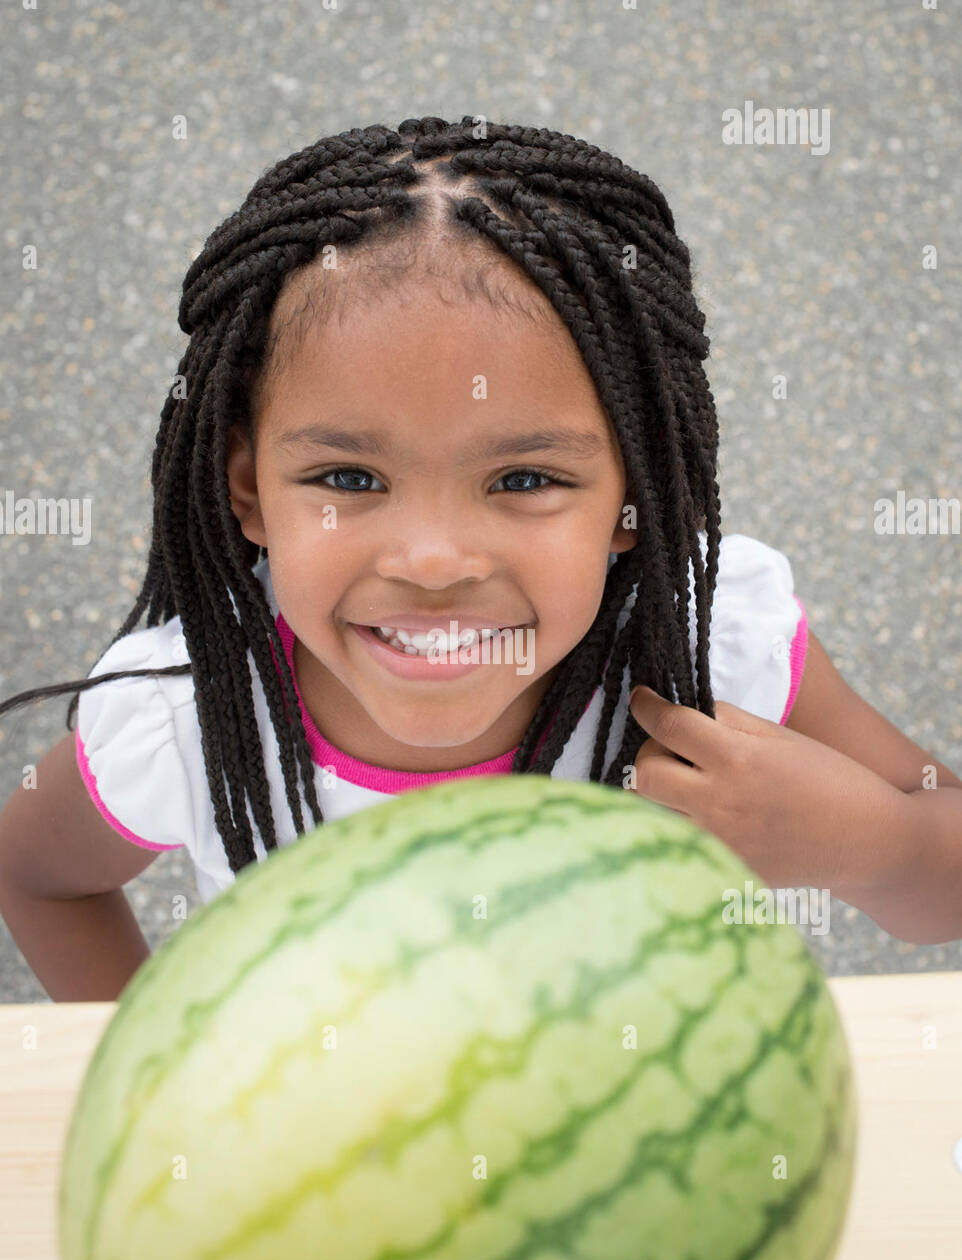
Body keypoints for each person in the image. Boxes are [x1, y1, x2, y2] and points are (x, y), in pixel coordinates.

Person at [2, 116, 960, 1002]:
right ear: (249, 491)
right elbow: (35, 877)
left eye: (522, 481)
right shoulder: (194, 720)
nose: (431, 560)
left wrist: (873, 843)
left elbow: (945, 882)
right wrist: (157, 1083)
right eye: (348, 477)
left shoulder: (716, 664)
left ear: (635, 501)